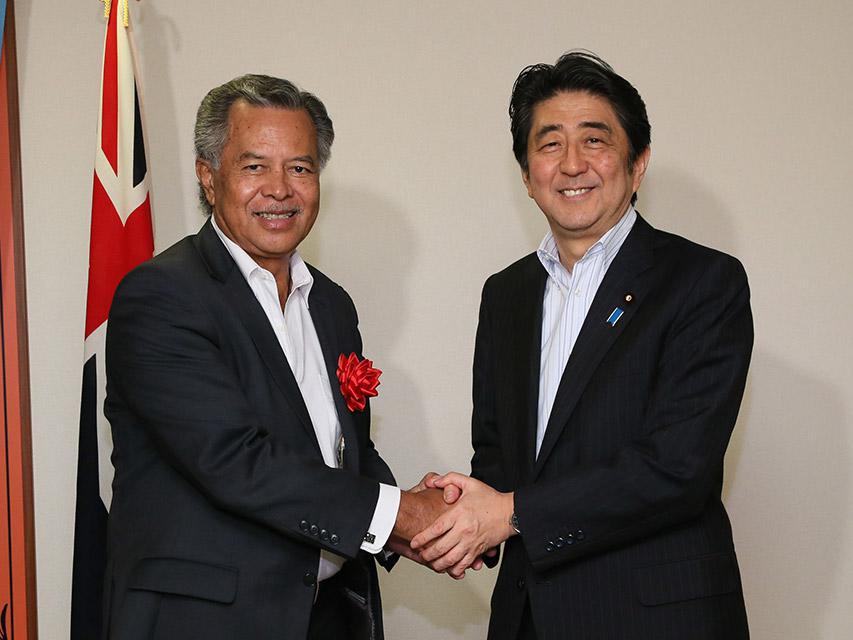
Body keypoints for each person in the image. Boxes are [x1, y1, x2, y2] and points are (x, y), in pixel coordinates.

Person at [413, 51, 752, 639]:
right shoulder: (506, 294)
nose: (572, 163)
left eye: (595, 140)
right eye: (549, 144)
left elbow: (678, 466)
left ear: (638, 163)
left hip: (657, 620)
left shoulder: (703, 281)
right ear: (526, 176)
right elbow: (497, 458)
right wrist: (449, 512)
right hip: (529, 618)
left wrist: (508, 513)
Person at [103, 74, 444, 640]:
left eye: (300, 168)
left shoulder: (331, 304)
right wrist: (401, 515)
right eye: (255, 166)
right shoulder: (161, 296)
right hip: (206, 624)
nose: (280, 189)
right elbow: (237, 461)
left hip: (329, 616)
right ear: (208, 176)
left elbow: (344, 452)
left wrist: (429, 525)